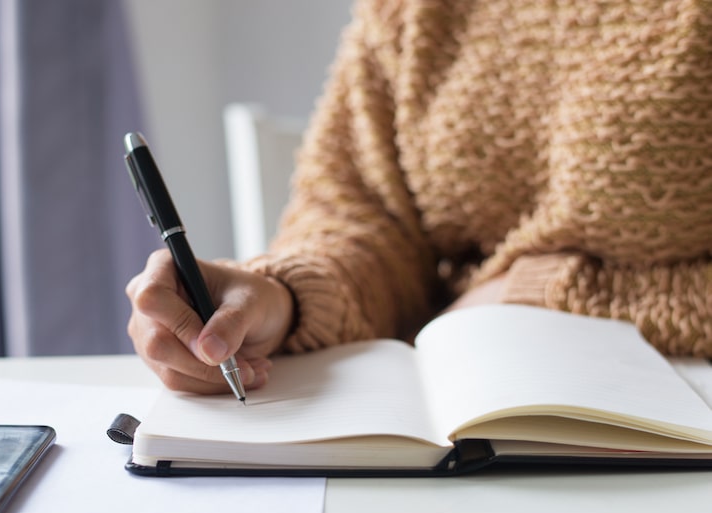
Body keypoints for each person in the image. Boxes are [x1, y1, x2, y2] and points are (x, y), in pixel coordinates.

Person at [127, 0, 712, 395]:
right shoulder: (414, 11)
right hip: (471, 402)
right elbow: (365, 216)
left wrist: (544, 296)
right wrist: (284, 296)